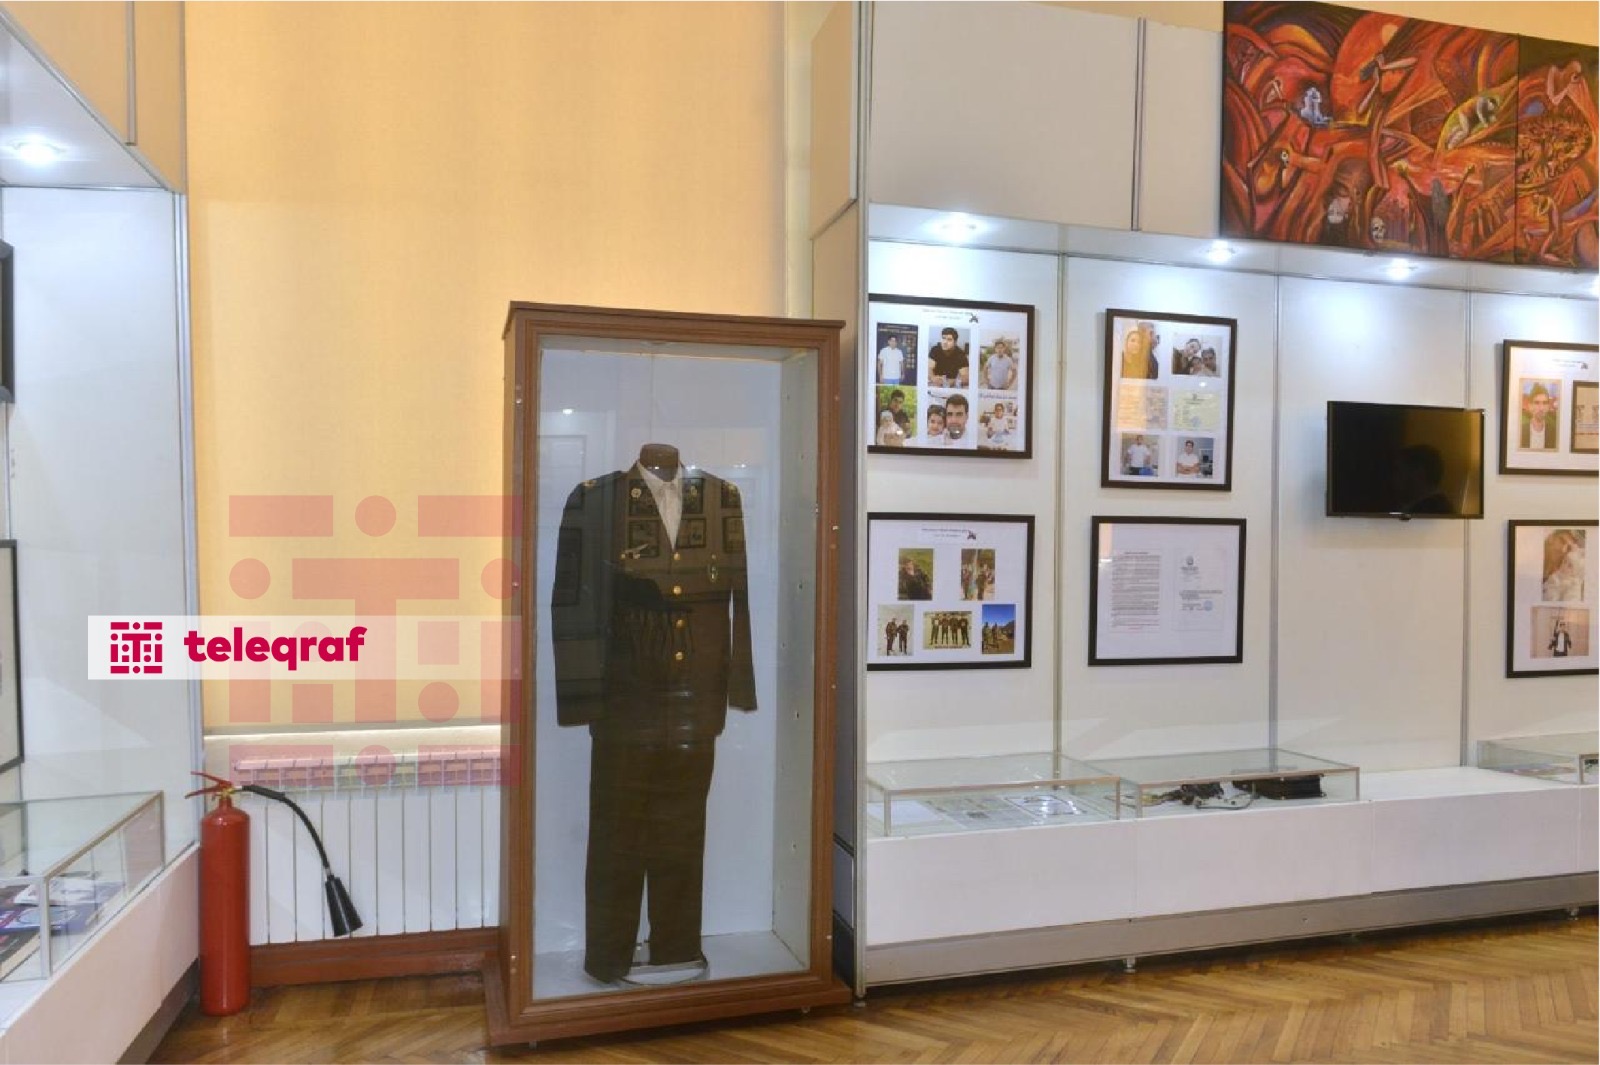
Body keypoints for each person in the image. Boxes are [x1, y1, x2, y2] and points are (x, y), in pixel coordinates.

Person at [551, 443, 754, 984]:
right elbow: (570, 600)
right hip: (625, 701)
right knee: (616, 834)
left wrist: (736, 685)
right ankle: (608, 957)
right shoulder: (597, 499)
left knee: (684, 831)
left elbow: (738, 597)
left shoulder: (721, 496)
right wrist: (581, 696)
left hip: (697, 700)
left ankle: (676, 949)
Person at [1543, 529, 1586, 602]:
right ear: (1551, 538)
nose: (1563, 550)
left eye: (1568, 548)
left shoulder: (1562, 575)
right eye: (1562, 541)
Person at [1520, 383, 1557, 450]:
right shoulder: (1521, 431)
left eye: (1545, 403)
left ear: (1548, 406)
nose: (1541, 408)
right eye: (1537, 403)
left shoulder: (1554, 432)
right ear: (1530, 406)